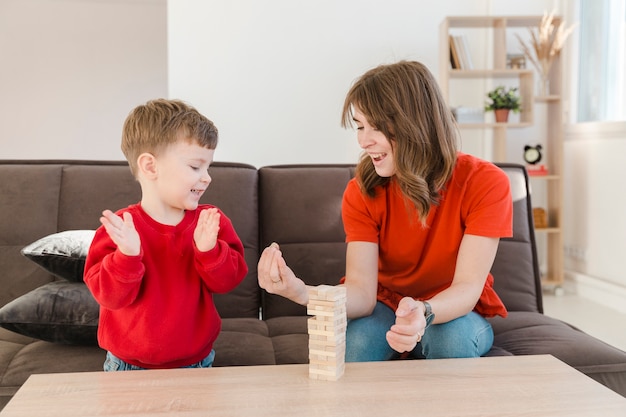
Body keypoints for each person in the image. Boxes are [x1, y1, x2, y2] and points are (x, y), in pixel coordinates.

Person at [258, 61, 512, 361]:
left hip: (452, 309)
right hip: (384, 305)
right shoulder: (362, 191)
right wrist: (300, 292)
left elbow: (467, 288)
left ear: (415, 122)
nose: (363, 141)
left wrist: (424, 311)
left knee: (450, 342)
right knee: (357, 347)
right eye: (360, 126)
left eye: (375, 127)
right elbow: (362, 295)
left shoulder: (486, 182)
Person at [84, 99, 248, 371]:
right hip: (127, 368)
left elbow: (229, 281)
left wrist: (209, 251)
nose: (207, 178)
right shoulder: (119, 230)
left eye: (208, 168)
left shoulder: (209, 222)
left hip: (197, 362)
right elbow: (109, 297)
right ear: (150, 167)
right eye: (195, 167)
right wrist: (127, 256)